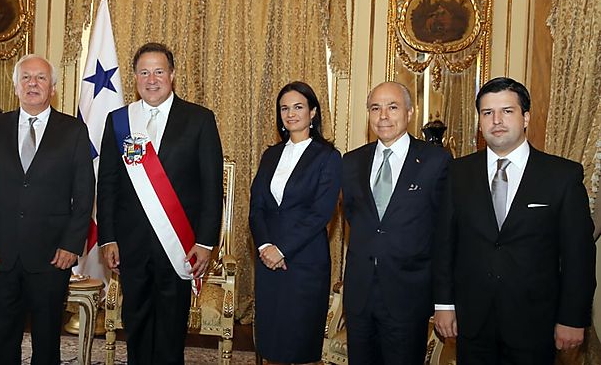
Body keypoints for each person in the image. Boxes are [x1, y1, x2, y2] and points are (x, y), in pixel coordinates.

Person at [433, 77, 596, 364]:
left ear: (525, 117)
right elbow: (445, 244)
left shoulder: (562, 176)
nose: (496, 120)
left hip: (535, 322)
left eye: (507, 111)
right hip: (472, 322)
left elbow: (578, 255)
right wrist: (444, 304)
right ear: (480, 122)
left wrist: (572, 318)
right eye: (487, 113)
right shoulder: (457, 173)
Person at [97, 42, 223, 364]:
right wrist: (108, 237)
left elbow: (211, 188)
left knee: (170, 330)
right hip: (131, 245)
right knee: (136, 326)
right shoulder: (119, 121)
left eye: (159, 71)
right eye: (144, 72)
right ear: (135, 77)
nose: (151, 79)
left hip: (178, 244)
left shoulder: (199, 119)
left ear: (172, 75)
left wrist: (206, 243)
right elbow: (108, 184)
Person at [0, 54, 94, 364]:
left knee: (47, 339)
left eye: (40, 78)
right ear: (16, 86)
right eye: (26, 77)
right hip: (1, 253)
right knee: (2, 338)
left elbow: (84, 194)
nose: (33, 83)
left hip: (53, 255)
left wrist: (71, 244)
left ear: (52, 87)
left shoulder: (74, 131)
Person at [341, 81, 451, 365]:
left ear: (410, 112)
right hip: (360, 293)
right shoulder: (352, 162)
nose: (383, 116)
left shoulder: (435, 160)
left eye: (392, 107)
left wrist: (444, 299)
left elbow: (445, 233)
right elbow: (356, 216)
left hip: (408, 293)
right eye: (375, 108)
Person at [249, 81, 341, 364]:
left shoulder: (328, 156)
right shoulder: (271, 154)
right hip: (268, 261)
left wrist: (283, 249)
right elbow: (257, 207)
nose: (290, 114)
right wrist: (266, 246)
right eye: (284, 108)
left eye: (298, 107)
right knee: (270, 340)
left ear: (312, 112)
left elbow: (321, 213)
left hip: (303, 262)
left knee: (298, 343)